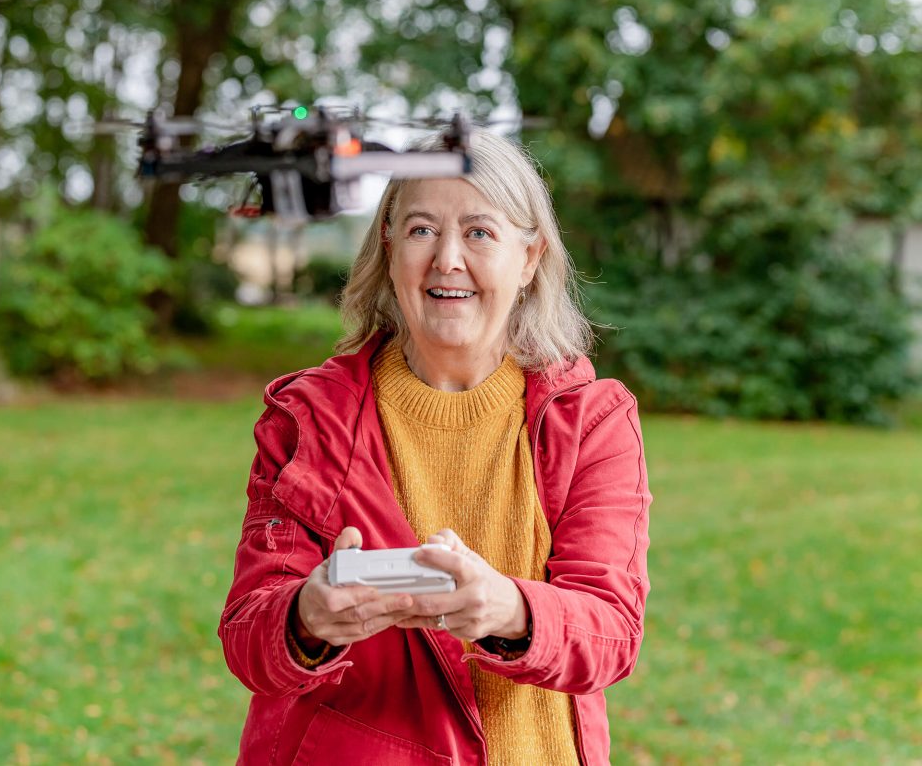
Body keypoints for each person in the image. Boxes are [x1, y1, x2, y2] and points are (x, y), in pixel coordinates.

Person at [218, 130, 651, 765]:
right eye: (421, 230)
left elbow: (611, 633)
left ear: (529, 258)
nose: (448, 259)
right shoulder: (310, 416)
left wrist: (509, 608)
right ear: (389, 246)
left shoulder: (591, 421)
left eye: (480, 232)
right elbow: (248, 634)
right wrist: (304, 617)